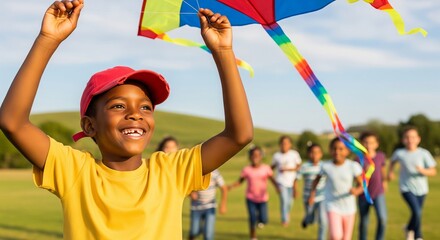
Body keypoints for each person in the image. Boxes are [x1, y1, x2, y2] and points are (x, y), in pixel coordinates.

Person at [0, 1, 253, 239]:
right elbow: (13, 122)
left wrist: (223, 51)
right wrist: (47, 39)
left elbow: (238, 135)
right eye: (119, 106)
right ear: (90, 126)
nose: (136, 114)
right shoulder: (74, 171)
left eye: (145, 107)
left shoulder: (172, 172)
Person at [309, 137, 363, 240]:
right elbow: (316, 181)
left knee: (346, 238)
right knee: (336, 235)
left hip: (349, 208)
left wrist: (356, 191)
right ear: (330, 150)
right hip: (332, 205)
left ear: (347, 151)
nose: (337, 152)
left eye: (341, 149)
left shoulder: (353, 166)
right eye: (334, 149)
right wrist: (312, 194)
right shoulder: (326, 166)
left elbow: (362, 185)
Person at [388, 126, 437, 240]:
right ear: (403, 139)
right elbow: (392, 162)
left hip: (422, 189)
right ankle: (418, 236)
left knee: (417, 213)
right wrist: (390, 172)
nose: (410, 140)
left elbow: (433, 171)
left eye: (413, 137)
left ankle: (409, 228)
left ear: (418, 139)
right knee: (417, 212)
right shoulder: (399, 153)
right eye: (407, 137)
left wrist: (422, 170)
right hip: (406, 188)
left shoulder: (424, 153)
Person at [228, 146, 279, 240]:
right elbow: (240, 181)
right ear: (250, 157)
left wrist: (277, 188)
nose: (255, 157)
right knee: (252, 218)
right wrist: (231, 186)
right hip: (250, 198)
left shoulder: (266, 168)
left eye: (258, 155)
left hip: (263, 198)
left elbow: (272, 179)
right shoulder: (246, 170)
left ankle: (261, 221)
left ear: (261, 156)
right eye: (253, 155)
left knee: (264, 219)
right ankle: (253, 236)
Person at [356, 131, 387, 240]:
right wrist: (365, 173)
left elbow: (382, 170)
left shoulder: (380, 156)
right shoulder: (358, 158)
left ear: (376, 144)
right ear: (361, 144)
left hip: (378, 193)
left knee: (382, 219)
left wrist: (385, 182)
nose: (368, 145)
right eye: (365, 142)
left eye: (371, 142)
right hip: (363, 194)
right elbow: (356, 178)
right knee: (364, 222)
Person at [295, 143, 327, 240]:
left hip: (322, 197)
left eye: (317, 153)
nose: (315, 155)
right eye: (312, 153)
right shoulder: (305, 166)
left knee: (323, 220)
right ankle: (306, 219)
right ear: (308, 154)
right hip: (308, 197)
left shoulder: (324, 166)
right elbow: (296, 179)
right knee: (311, 220)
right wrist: (295, 190)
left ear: (321, 154)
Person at [271, 135, 302, 227]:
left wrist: (288, 169)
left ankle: (286, 213)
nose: (284, 145)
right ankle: (284, 220)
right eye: (282, 143)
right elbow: (271, 168)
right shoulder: (276, 156)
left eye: (286, 143)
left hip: (292, 182)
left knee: (290, 202)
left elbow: (299, 166)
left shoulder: (294, 154)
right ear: (280, 144)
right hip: (281, 181)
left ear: (290, 144)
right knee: (284, 200)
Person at [189, 169, 227, 240]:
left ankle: (204, 230)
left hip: (210, 207)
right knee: (194, 231)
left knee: (208, 235)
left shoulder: (215, 173)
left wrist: (223, 204)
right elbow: (186, 186)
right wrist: (190, 193)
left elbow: (224, 188)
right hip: (196, 207)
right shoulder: (194, 172)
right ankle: (198, 231)